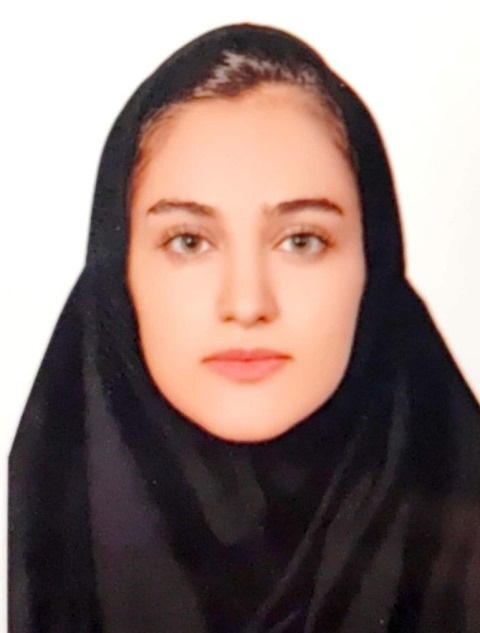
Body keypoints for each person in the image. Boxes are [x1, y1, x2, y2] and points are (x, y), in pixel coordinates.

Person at [9, 22, 480, 633]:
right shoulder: (36, 545)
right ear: (119, 272)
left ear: (374, 264)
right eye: (188, 241)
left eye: (302, 240)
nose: (247, 302)